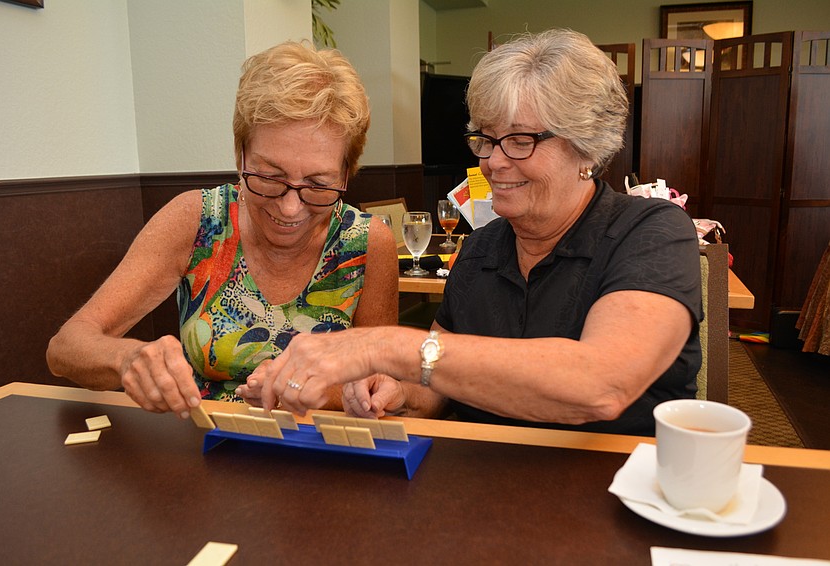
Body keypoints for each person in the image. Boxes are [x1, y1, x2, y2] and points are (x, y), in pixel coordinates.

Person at [256, 29, 702, 437]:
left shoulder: (653, 232)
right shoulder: (482, 249)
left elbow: (602, 385)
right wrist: (398, 391)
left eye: (520, 140)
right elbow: (438, 386)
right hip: (483, 495)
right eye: (486, 139)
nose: (493, 161)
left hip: (619, 497)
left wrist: (384, 346)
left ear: (586, 145)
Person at [46, 41, 399, 418]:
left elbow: (379, 385)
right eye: (268, 176)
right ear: (239, 155)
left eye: (318, 183)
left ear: (346, 174)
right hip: (203, 447)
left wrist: (298, 390)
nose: (290, 207)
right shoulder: (199, 220)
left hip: (323, 457)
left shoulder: (367, 243)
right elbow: (64, 349)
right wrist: (127, 358)